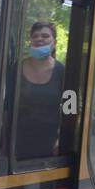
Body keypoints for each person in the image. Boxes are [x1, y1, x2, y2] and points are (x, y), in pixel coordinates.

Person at [14, 21, 65, 160]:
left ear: (54, 42)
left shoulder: (64, 72)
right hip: (17, 143)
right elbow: (7, 105)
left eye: (45, 36)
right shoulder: (16, 68)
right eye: (35, 36)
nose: (39, 39)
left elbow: (71, 111)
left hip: (50, 146)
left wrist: (62, 140)